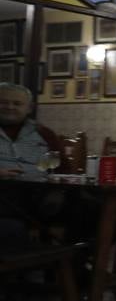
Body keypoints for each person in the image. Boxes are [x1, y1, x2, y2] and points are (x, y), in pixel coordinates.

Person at [0, 82, 61, 248]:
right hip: (5, 193)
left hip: (40, 193)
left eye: (17, 103)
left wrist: (55, 185)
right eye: (3, 102)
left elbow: (60, 169)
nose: (10, 107)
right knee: (13, 226)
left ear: (29, 108)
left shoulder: (44, 134)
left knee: (91, 208)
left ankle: (73, 263)